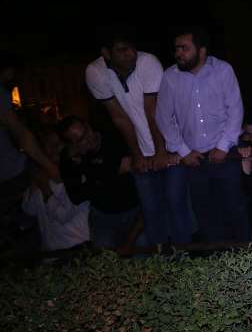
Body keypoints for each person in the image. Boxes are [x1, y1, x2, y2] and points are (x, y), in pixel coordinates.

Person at [156, 26, 250, 243]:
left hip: (226, 152)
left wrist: (223, 146)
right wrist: (183, 151)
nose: (178, 53)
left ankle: (246, 255)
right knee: (205, 212)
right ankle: (215, 259)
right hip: (194, 158)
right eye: (176, 48)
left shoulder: (222, 70)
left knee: (234, 207)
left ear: (202, 50)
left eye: (184, 48)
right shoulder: (170, 77)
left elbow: (235, 109)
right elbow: (163, 118)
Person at [85, 28, 173, 246]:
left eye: (132, 48)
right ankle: (159, 260)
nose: (130, 54)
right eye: (122, 50)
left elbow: (153, 111)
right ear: (106, 53)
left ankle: (186, 257)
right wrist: (138, 155)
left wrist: (161, 151)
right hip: (141, 147)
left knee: (177, 206)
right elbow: (119, 118)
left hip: (171, 145)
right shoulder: (95, 72)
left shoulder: (148, 62)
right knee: (151, 211)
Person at [56, 116, 143, 251]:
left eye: (86, 131)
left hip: (134, 211)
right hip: (102, 216)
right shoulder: (70, 158)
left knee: (144, 255)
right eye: (80, 140)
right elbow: (76, 196)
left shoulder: (113, 137)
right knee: (104, 259)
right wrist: (110, 173)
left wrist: (91, 174)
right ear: (73, 145)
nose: (88, 139)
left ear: (88, 125)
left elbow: (132, 166)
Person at [0, 51, 59, 250]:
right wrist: (49, 166)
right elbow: (21, 133)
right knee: (24, 232)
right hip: (11, 174)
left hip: (12, 171)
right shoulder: (1, 94)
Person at [22, 128, 90, 251]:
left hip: (76, 249)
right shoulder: (43, 176)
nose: (53, 148)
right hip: (50, 252)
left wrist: (45, 188)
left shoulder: (79, 176)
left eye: (58, 143)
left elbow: (63, 215)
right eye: (48, 144)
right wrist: (34, 181)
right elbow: (29, 210)